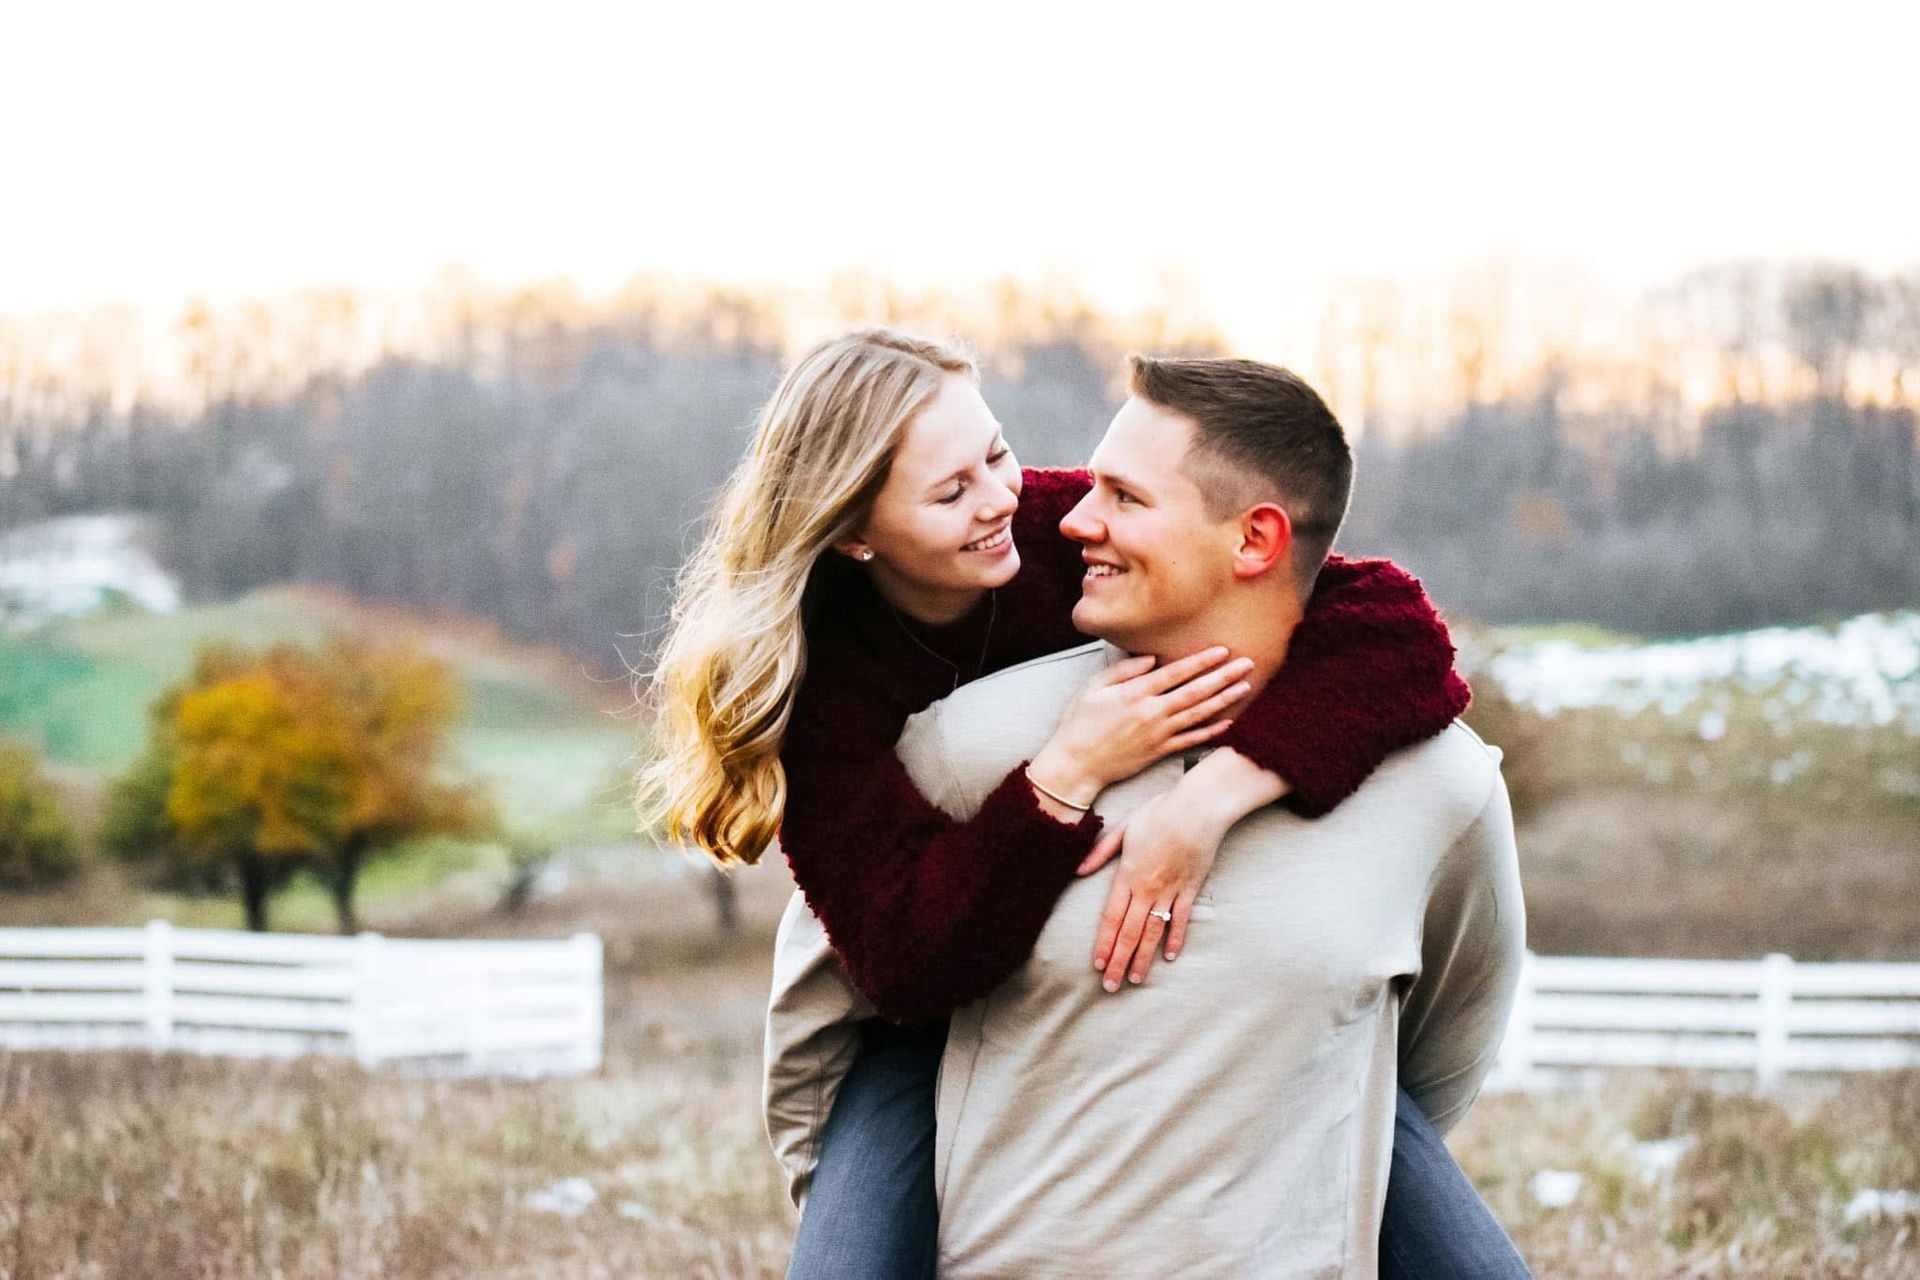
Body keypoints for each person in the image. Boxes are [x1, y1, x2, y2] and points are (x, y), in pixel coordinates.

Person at [640, 330, 1524, 1277]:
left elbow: (1380, 623)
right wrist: (1062, 774)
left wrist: (1208, 801)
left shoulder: (1056, 535)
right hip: (923, 1016)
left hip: (1240, 1026)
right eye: (950, 494)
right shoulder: (829, 692)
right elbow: (902, 964)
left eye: (996, 454)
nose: (1005, 503)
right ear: (855, 532)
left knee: (1352, 1080)